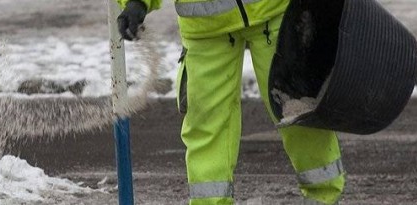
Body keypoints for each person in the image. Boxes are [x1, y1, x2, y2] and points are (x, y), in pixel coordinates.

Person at [116, 0, 345, 204]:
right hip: (205, 28)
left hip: (273, 12)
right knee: (207, 125)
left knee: (298, 108)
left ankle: (324, 196)